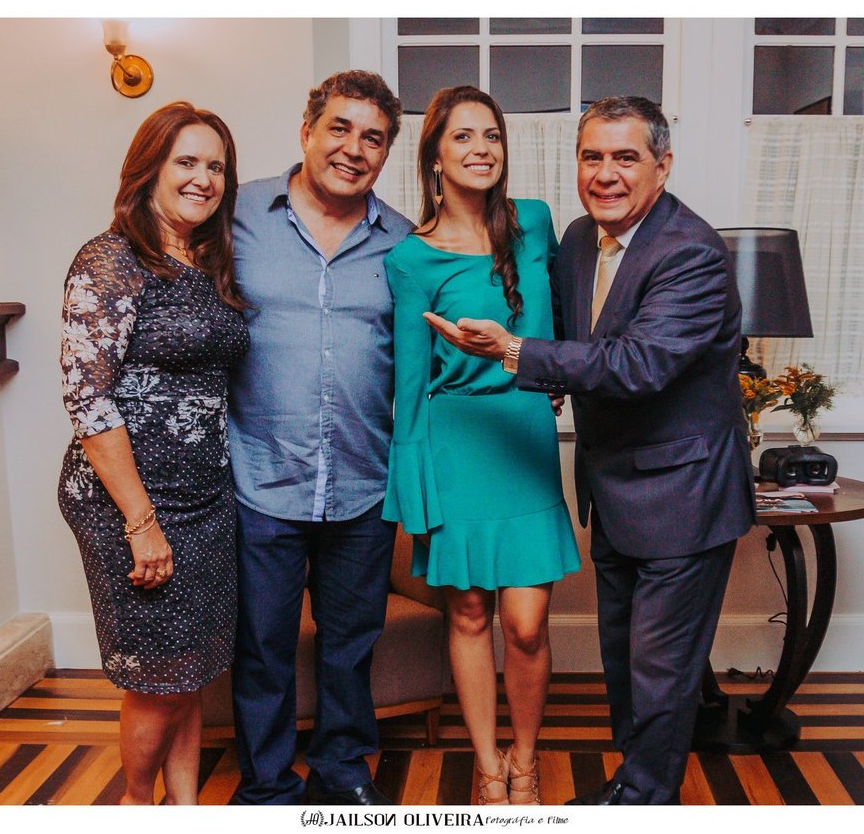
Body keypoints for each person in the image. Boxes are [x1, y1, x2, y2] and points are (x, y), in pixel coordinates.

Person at [425, 96, 755, 805]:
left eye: (626, 157)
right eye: (592, 157)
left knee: (662, 671)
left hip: (684, 496)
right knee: (626, 662)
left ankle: (641, 802)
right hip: (613, 489)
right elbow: (570, 338)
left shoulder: (691, 252)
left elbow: (638, 364)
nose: (606, 173)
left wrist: (515, 353)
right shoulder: (579, 238)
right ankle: (636, 789)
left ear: (663, 166)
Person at [382, 86, 580, 806]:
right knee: (468, 615)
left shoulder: (536, 223)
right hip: (454, 443)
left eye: (491, 134)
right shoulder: (411, 258)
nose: (480, 149)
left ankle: (527, 758)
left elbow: (569, 317)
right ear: (435, 156)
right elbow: (409, 382)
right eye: (462, 136)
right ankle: (491, 767)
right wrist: (411, 486)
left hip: (522, 437)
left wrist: (555, 372)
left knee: (525, 624)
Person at [226, 70, 414, 806]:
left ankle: (343, 769)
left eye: (373, 138)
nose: (353, 149)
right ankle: (268, 786)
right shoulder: (236, 215)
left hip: (363, 481)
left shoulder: (404, 242)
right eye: (339, 128)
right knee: (263, 647)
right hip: (258, 475)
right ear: (307, 130)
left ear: (386, 153)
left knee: (350, 644)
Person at [58, 102, 248, 804]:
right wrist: (141, 522)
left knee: (188, 669)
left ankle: (185, 808)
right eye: (186, 162)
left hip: (205, 496)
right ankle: (138, 806)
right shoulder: (111, 259)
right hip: (128, 501)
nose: (204, 179)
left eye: (216, 166)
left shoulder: (208, 262)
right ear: (149, 170)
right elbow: (88, 398)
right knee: (158, 677)